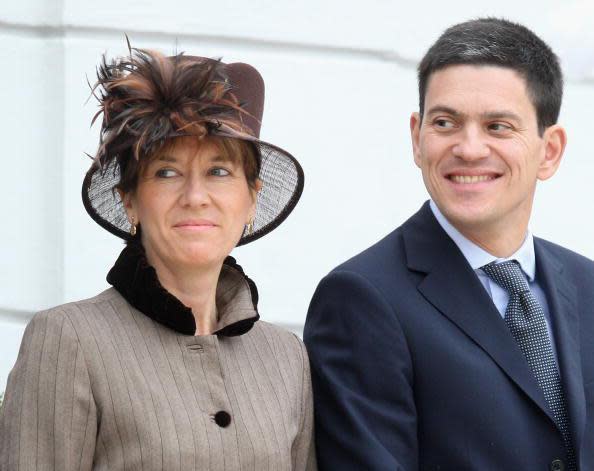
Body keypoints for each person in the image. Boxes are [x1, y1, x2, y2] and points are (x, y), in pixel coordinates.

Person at [0, 46, 316, 470]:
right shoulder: (68, 339)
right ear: (130, 200)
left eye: (219, 171)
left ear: (251, 199)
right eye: (166, 172)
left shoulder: (286, 359)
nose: (195, 197)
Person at [304, 18, 593, 471]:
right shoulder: (360, 297)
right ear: (417, 138)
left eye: (498, 126)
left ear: (550, 150)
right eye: (446, 122)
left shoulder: (588, 284)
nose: (469, 148)